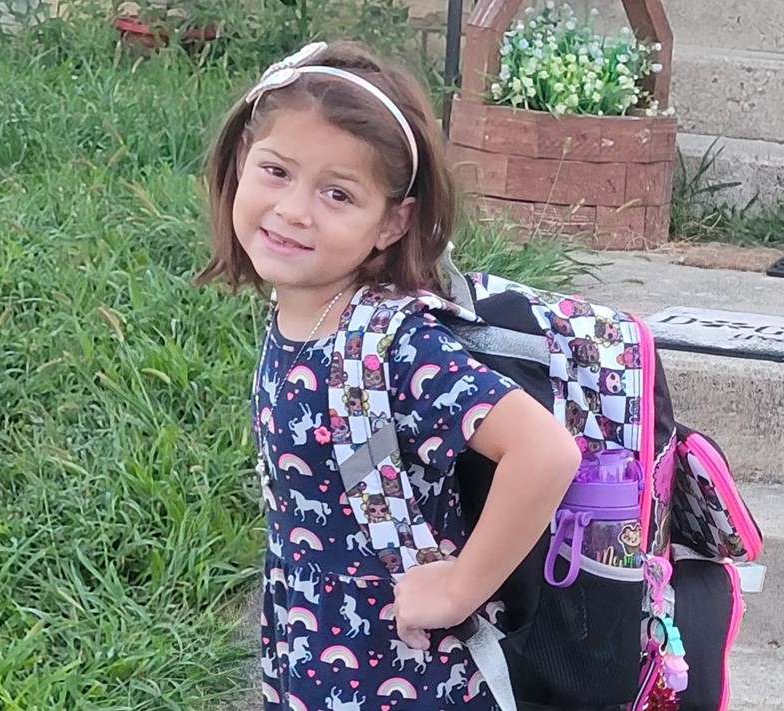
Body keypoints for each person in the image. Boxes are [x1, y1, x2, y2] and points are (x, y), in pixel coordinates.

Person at [194, 39, 581, 710]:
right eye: (276, 171)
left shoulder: (395, 345)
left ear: (391, 223)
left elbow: (545, 450)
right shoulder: (300, 318)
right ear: (238, 164)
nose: (292, 209)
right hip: (314, 665)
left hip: (408, 682)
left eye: (337, 193)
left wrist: (460, 585)